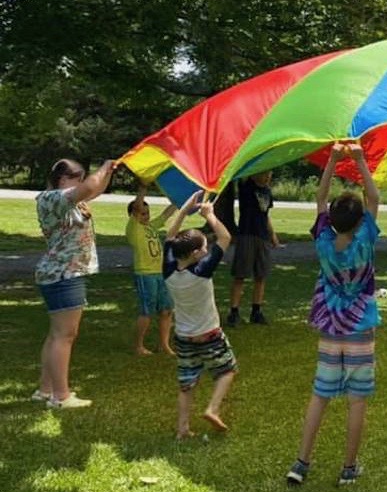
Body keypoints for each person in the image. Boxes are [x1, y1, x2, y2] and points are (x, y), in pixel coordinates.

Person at [286, 142, 381, 488]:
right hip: (360, 331)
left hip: (330, 330)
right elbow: (374, 198)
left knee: (320, 395)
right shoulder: (365, 241)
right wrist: (358, 159)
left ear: (332, 220)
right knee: (357, 401)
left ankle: (300, 462)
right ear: (361, 222)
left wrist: (332, 161)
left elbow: (320, 199)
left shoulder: (323, 241)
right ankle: (348, 467)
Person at [33, 158, 115, 408]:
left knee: (57, 334)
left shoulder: (69, 201)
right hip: (63, 274)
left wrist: (108, 172)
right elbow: (89, 187)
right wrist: (102, 168)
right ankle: (61, 397)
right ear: (62, 179)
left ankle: (45, 390)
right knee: (65, 335)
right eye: (78, 176)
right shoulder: (53, 198)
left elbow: (95, 189)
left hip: (64, 273)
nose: (82, 180)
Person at [164, 191, 236, 438]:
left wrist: (184, 211)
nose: (207, 249)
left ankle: (182, 429)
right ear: (195, 253)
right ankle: (213, 409)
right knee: (227, 370)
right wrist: (210, 216)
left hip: (183, 337)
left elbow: (170, 237)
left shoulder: (169, 268)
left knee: (186, 384)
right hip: (209, 334)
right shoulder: (202, 270)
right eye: (204, 247)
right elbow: (225, 237)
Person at [125, 185, 177, 355]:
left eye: (147, 213)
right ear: (134, 214)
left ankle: (164, 344)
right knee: (147, 311)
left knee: (166, 309)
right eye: (142, 213)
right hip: (145, 274)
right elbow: (138, 205)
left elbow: (167, 214)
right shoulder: (134, 228)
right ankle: (138, 346)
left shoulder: (151, 227)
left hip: (160, 273)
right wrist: (143, 186)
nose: (145, 216)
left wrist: (180, 199)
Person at [227, 170, 281, 327]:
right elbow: (243, 170)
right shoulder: (246, 187)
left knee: (261, 276)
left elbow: (266, 215)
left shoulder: (267, 191)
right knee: (240, 275)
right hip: (247, 235)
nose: (268, 177)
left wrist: (273, 236)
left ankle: (256, 311)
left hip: (262, 237)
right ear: (255, 173)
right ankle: (234, 312)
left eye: (270, 174)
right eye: (265, 173)